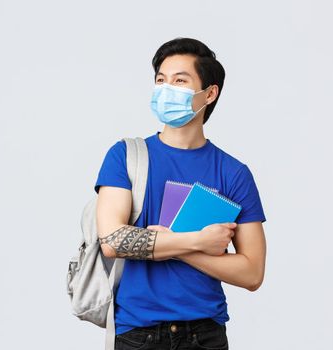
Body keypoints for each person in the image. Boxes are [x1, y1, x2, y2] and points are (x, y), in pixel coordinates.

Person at [95, 37, 267, 350]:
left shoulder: (233, 173)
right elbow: (111, 241)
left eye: (179, 80)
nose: (166, 88)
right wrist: (198, 241)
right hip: (139, 334)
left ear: (209, 93)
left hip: (205, 335)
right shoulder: (126, 156)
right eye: (161, 79)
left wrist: (179, 249)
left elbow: (252, 272)